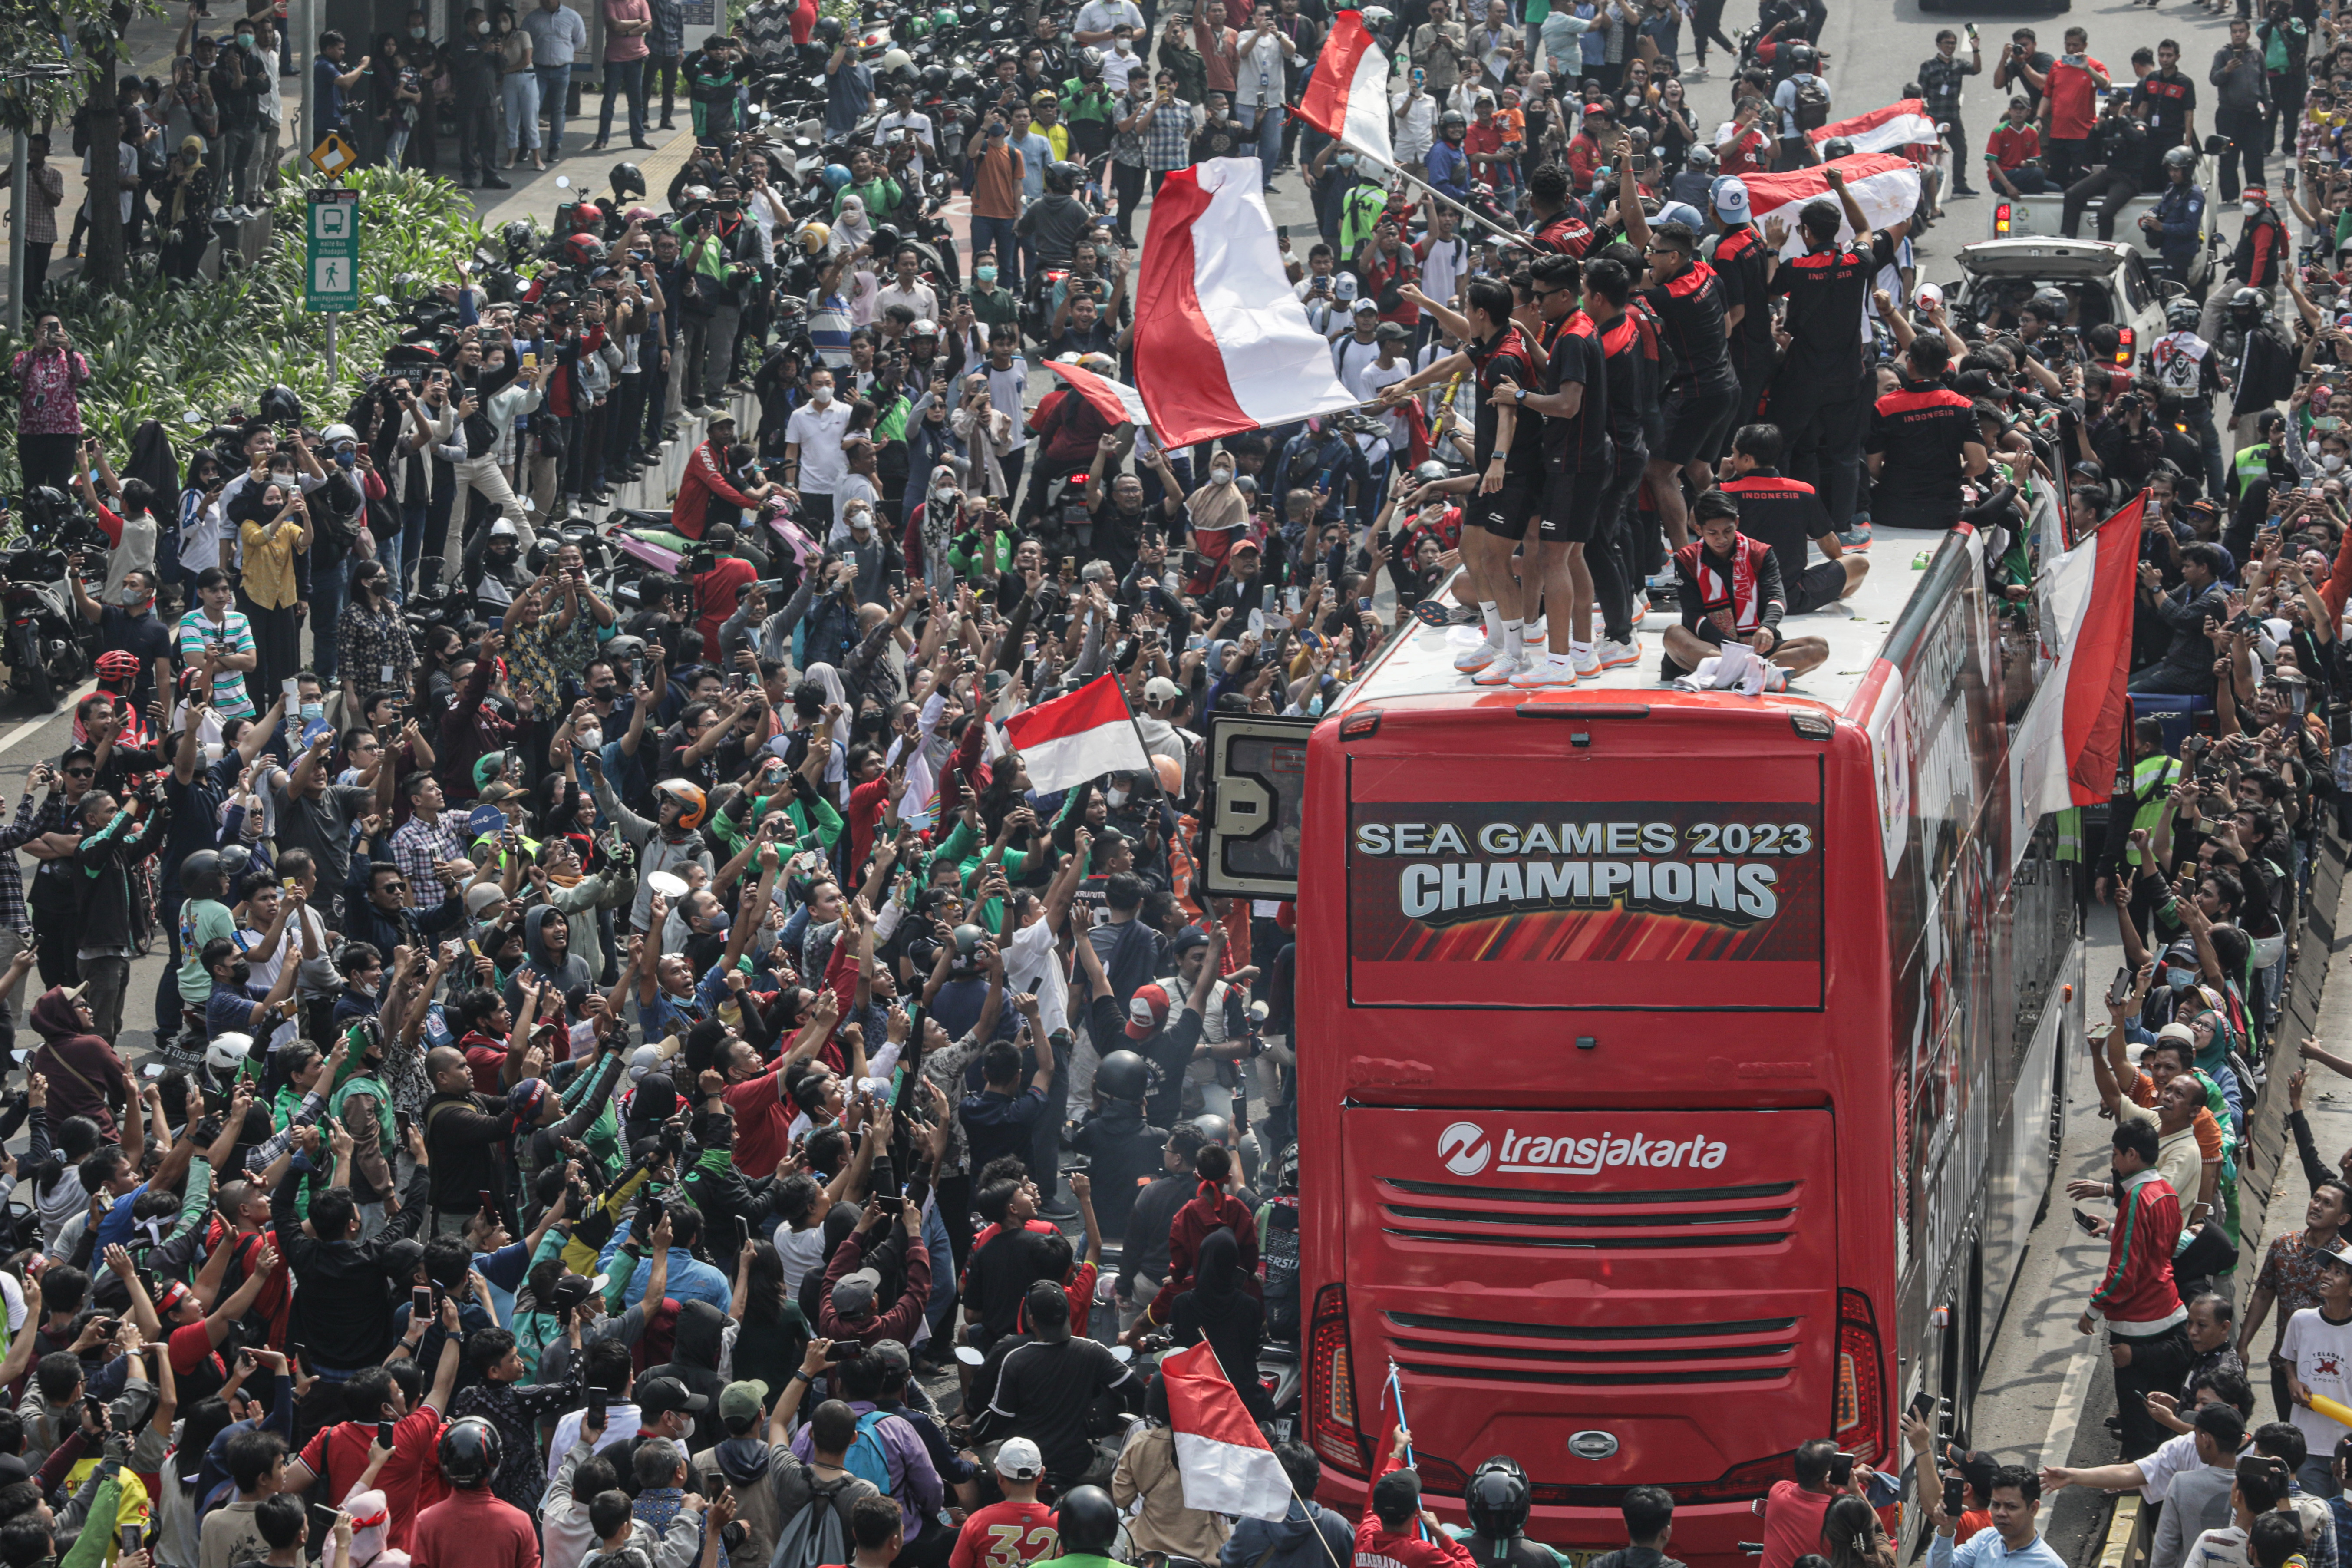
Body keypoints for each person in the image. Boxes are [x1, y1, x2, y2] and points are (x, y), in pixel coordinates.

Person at [2082, 1118, 2191, 1461]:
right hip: (2170, 1313)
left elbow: (2123, 1274)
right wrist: (2114, 1228)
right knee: (2163, 1415)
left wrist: (2093, 1308)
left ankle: (2134, 1478)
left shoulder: (2135, 1200)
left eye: (2115, 1154)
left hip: (2136, 1324)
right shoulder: (2166, 1192)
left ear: (2131, 1154)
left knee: (2137, 1419)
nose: (2113, 1162)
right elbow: (2164, 1246)